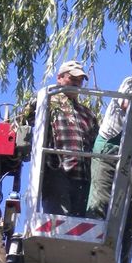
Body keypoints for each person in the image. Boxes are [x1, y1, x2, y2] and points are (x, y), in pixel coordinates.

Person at [42, 60, 98, 216]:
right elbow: (24, 120)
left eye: (79, 81)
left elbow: (96, 143)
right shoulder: (47, 102)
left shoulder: (87, 113)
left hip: (83, 176)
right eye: (72, 79)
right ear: (59, 78)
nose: (76, 84)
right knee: (59, 221)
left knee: (81, 224)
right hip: (58, 172)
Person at [86, 75, 132, 220]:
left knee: (120, 206)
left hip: (126, 153)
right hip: (108, 146)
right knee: (101, 199)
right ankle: (94, 229)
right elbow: (128, 105)